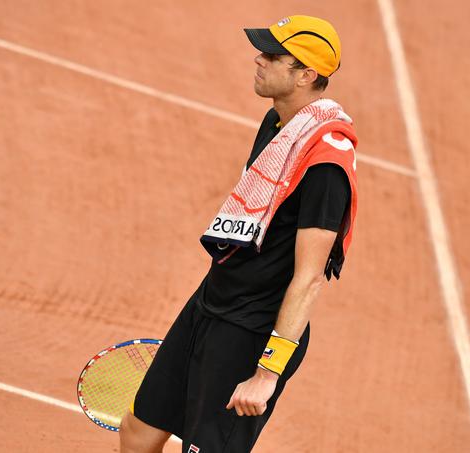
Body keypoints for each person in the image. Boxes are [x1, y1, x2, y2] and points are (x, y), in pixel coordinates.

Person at [120, 15, 359, 453]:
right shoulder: (279, 125)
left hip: (252, 331)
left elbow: (309, 278)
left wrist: (268, 372)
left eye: (272, 56)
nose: (259, 59)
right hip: (213, 301)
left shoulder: (326, 165)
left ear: (305, 75)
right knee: (139, 430)